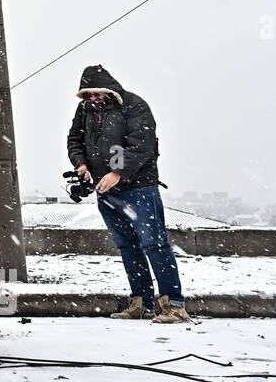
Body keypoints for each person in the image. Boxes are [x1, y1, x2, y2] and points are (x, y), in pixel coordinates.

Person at [66, 64, 188, 324]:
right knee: (127, 247)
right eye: (86, 95)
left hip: (139, 189)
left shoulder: (133, 105)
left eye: (95, 94)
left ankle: (174, 305)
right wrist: (82, 165)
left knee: (154, 244)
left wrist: (116, 172)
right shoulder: (85, 110)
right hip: (106, 191)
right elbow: (74, 139)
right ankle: (141, 303)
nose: (91, 100)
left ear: (107, 89)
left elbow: (139, 144)